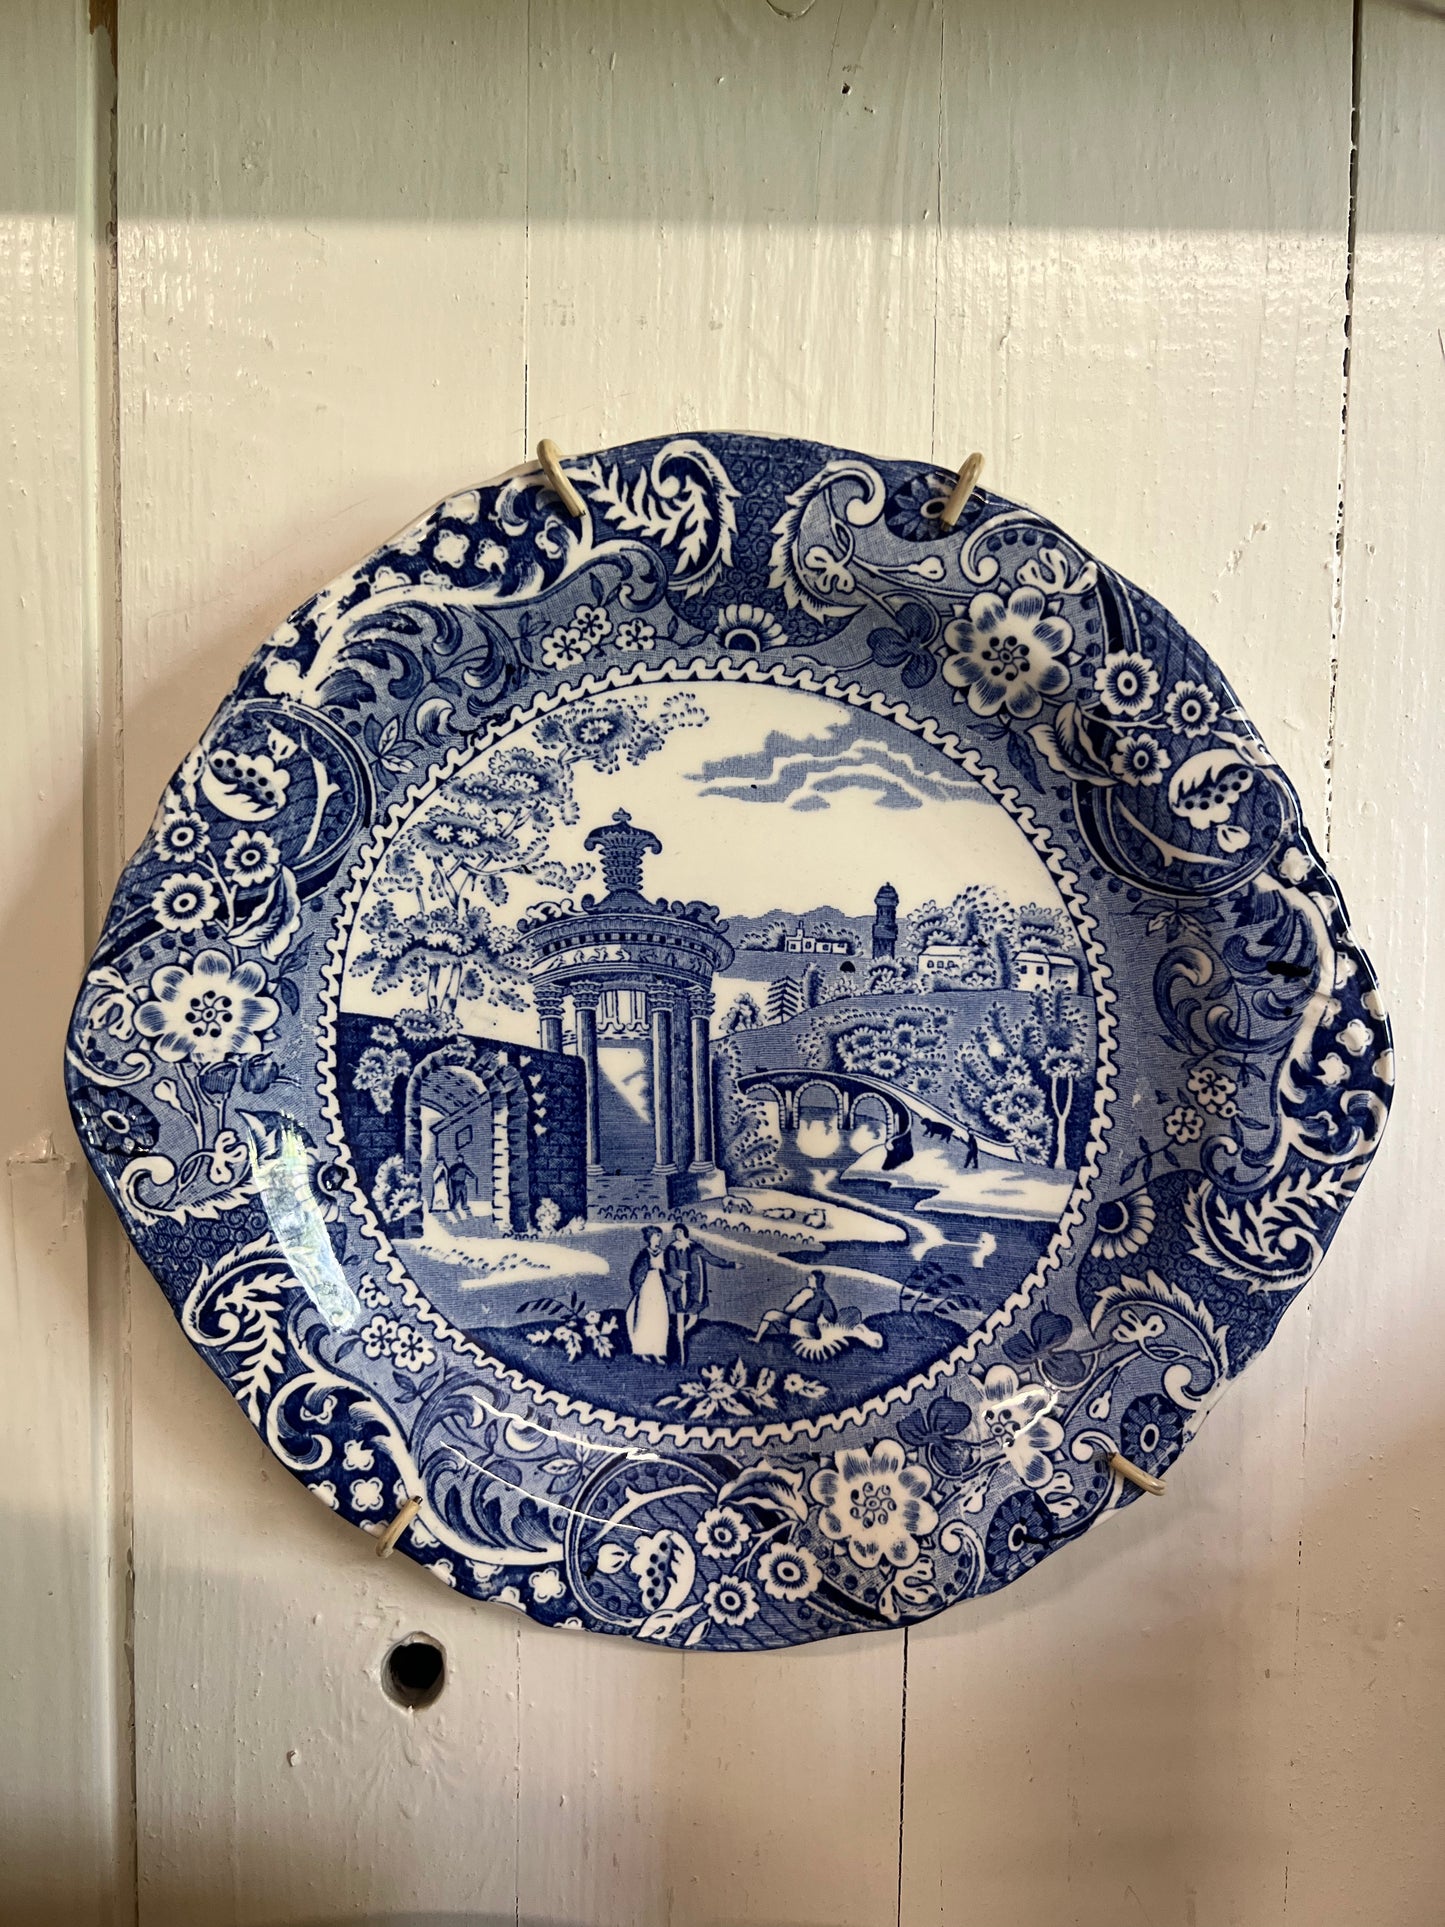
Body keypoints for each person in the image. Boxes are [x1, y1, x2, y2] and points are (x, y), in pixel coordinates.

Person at [665, 1221, 737, 1364]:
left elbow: (712, 1259)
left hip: (696, 1288)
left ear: (685, 1232)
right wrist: (678, 1273)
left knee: (693, 1317)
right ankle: (680, 1348)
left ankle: (680, 1335)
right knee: (680, 1313)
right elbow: (670, 1266)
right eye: (675, 1232)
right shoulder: (672, 1249)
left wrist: (732, 1265)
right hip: (680, 1287)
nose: (677, 1234)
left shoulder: (695, 1247)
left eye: (679, 1231)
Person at [625, 1225, 671, 1361]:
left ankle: (658, 1352)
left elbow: (668, 1270)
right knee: (645, 1317)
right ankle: (642, 1351)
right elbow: (637, 1273)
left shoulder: (663, 1252)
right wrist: (637, 1287)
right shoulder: (644, 1253)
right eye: (657, 1236)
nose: (659, 1238)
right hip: (647, 1286)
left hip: (659, 1286)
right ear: (650, 1237)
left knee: (659, 1317)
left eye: (660, 1236)